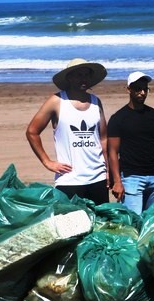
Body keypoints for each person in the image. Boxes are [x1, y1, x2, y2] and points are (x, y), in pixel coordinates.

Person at [26, 58, 110, 204]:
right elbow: (32, 132)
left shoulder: (96, 102)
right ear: (69, 77)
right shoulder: (57, 101)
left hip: (98, 177)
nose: (83, 79)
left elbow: (103, 139)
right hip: (69, 179)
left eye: (86, 75)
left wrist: (108, 170)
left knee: (99, 224)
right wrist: (47, 162)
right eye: (79, 75)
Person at [106, 71, 154, 214]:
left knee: (152, 223)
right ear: (129, 89)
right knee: (135, 222)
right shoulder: (118, 118)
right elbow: (112, 152)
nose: (142, 93)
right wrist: (117, 181)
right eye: (137, 89)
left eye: (145, 89)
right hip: (131, 178)